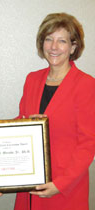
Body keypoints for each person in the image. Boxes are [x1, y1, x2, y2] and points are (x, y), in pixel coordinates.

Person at [14, 12, 95, 210]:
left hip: (65, 189)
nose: (54, 47)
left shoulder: (86, 85)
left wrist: (61, 184)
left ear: (73, 46)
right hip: (29, 184)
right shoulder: (32, 79)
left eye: (62, 41)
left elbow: (88, 143)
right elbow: (19, 123)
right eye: (49, 39)